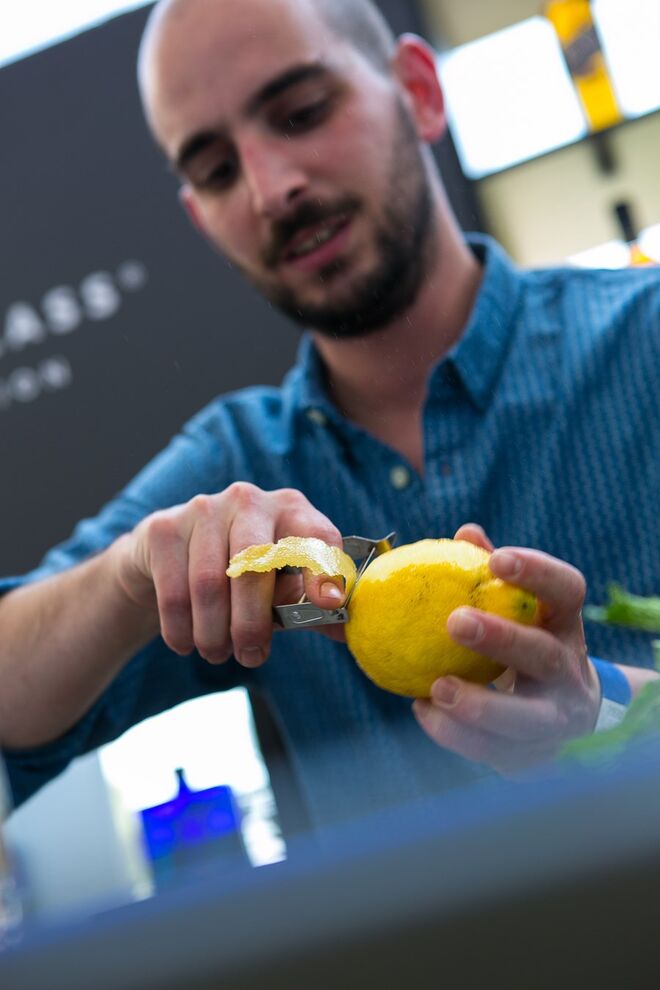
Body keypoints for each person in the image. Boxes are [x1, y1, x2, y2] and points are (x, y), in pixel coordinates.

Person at [0, 0, 658, 829]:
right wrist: (131, 577)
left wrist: (602, 707)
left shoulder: (644, 340)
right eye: (218, 171)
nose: (270, 190)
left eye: (303, 113)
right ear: (201, 219)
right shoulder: (241, 469)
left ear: (418, 91)